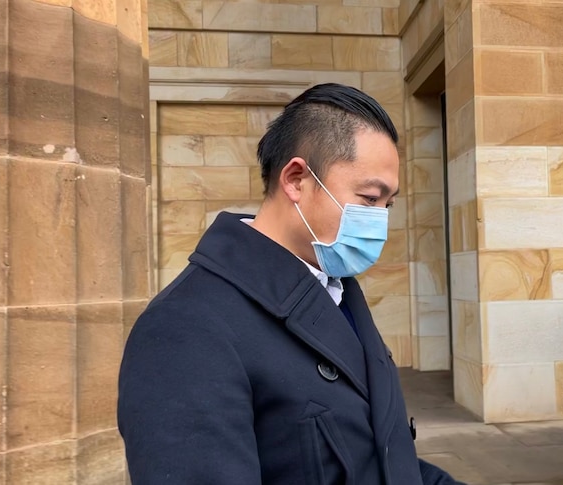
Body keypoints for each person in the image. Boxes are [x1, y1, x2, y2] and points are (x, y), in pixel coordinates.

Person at [117, 83, 464, 485]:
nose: (381, 219)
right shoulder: (184, 330)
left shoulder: (336, 288)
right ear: (297, 179)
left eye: (389, 204)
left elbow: (385, 457)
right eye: (370, 198)